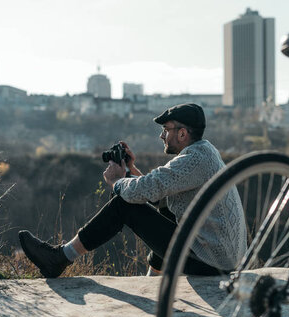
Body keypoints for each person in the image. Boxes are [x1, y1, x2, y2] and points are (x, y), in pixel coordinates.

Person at [19, 103, 247, 278]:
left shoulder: (194, 160)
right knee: (166, 210)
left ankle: (60, 258)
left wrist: (117, 182)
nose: (161, 135)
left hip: (211, 263)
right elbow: (159, 194)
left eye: (165, 129)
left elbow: (142, 192)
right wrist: (131, 170)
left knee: (123, 205)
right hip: (220, 257)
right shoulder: (204, 152)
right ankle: (152, 280)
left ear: (182, 133)